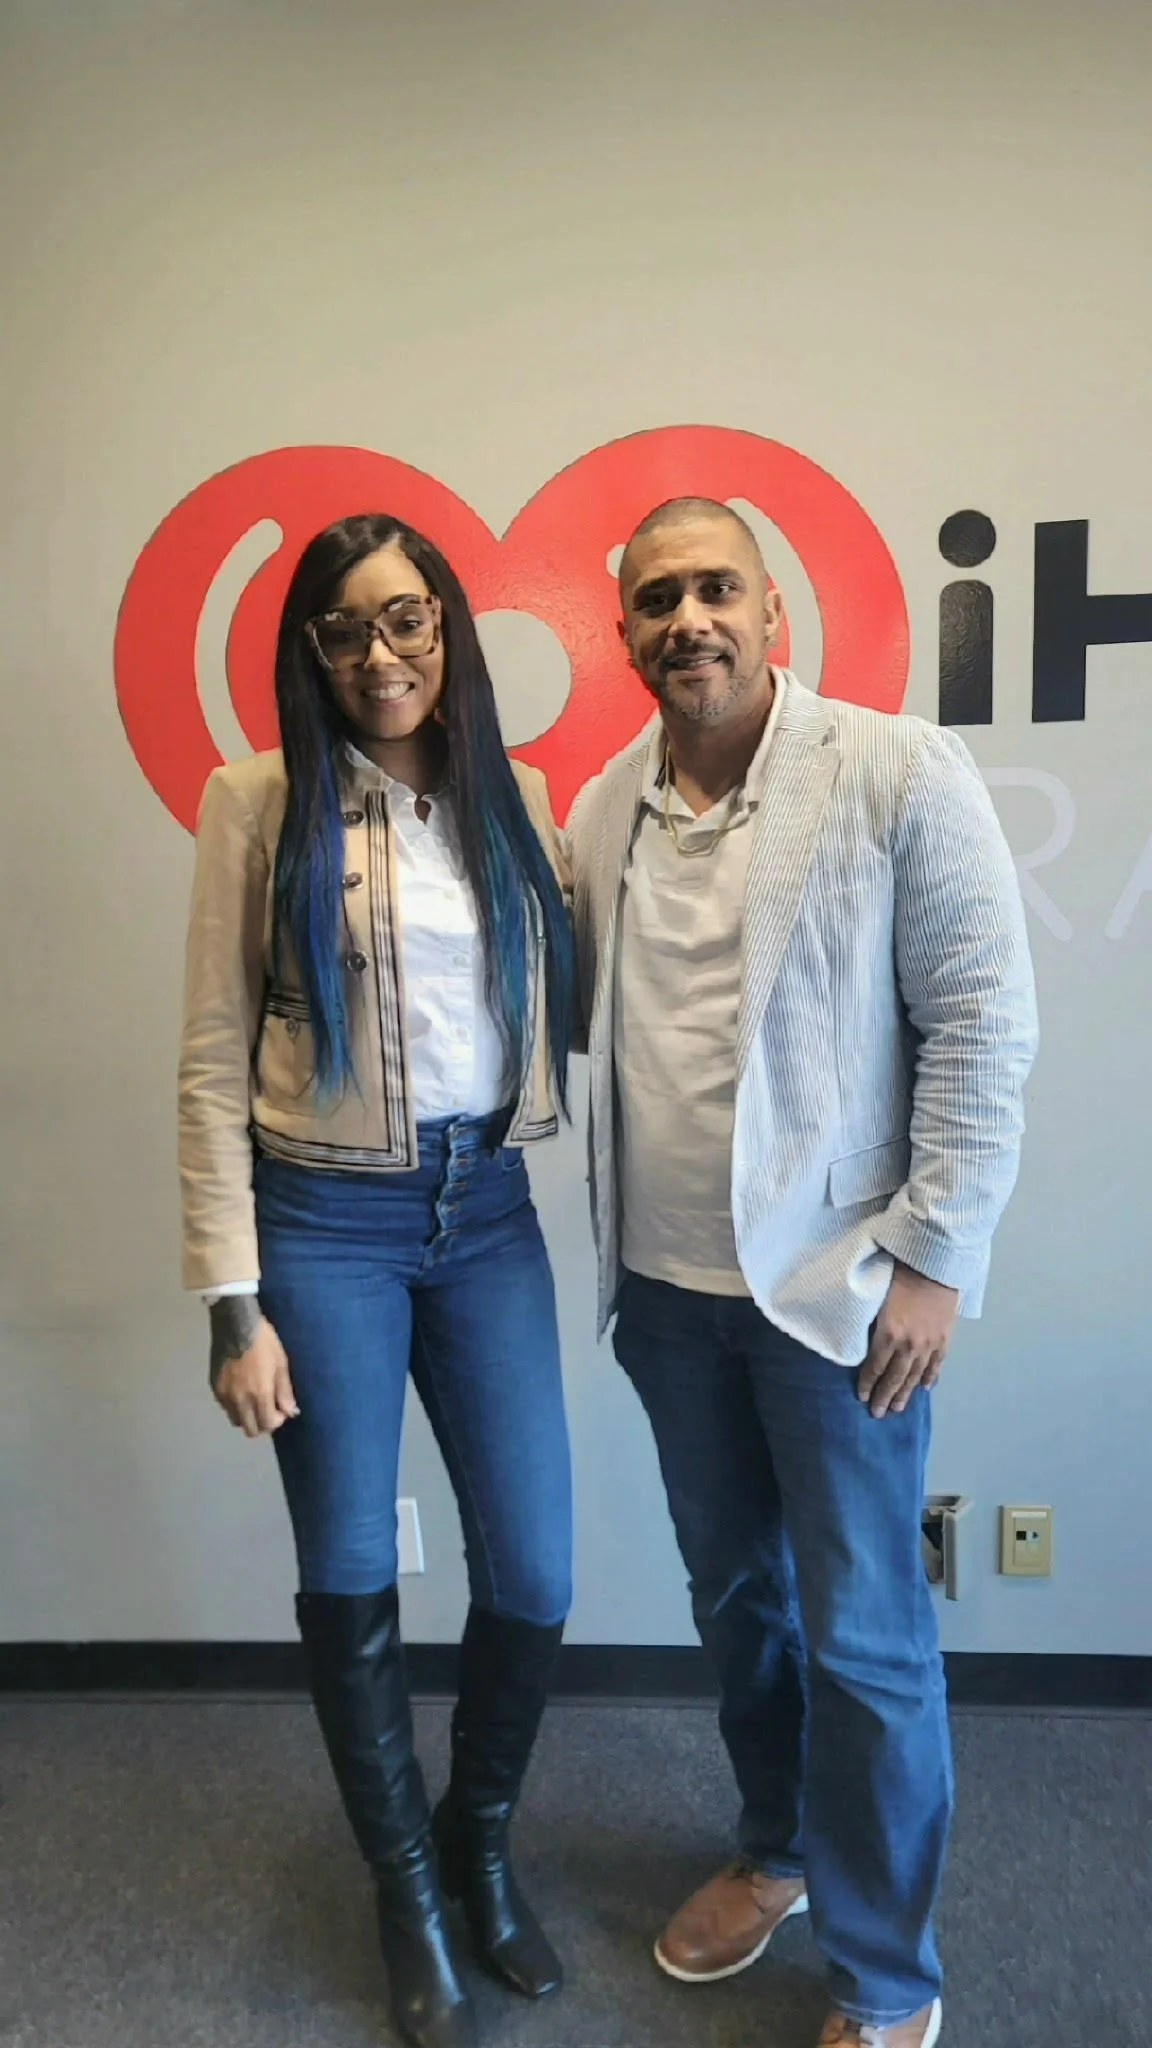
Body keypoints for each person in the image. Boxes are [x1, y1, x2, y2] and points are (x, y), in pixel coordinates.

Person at [567, 497, 1038, 2048]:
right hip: (669, 1297)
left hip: (843, 1299)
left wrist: (936, 1262)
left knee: (869, 1639)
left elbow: (981, 1017)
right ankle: (776, 1849)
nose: (686, 618)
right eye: (656, 600)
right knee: (739, 1606)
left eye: (716, 589)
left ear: (774, 612)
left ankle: (891, 1977)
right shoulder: (598, 810)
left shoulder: (894, 768)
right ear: (624, 629)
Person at [179, 513, 577, 2048]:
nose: (381, 655)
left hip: (488, 1217)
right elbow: (215, 1057)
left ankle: (479, 1843)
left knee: (536, 1571)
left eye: (405, 620)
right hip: (322, 1228)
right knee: (349, 1574)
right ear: (309, 653)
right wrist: (233, 1300)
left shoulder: (518, 798)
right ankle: (403, 1880)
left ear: (449, 629)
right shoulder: (255, 803)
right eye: (344, 631)